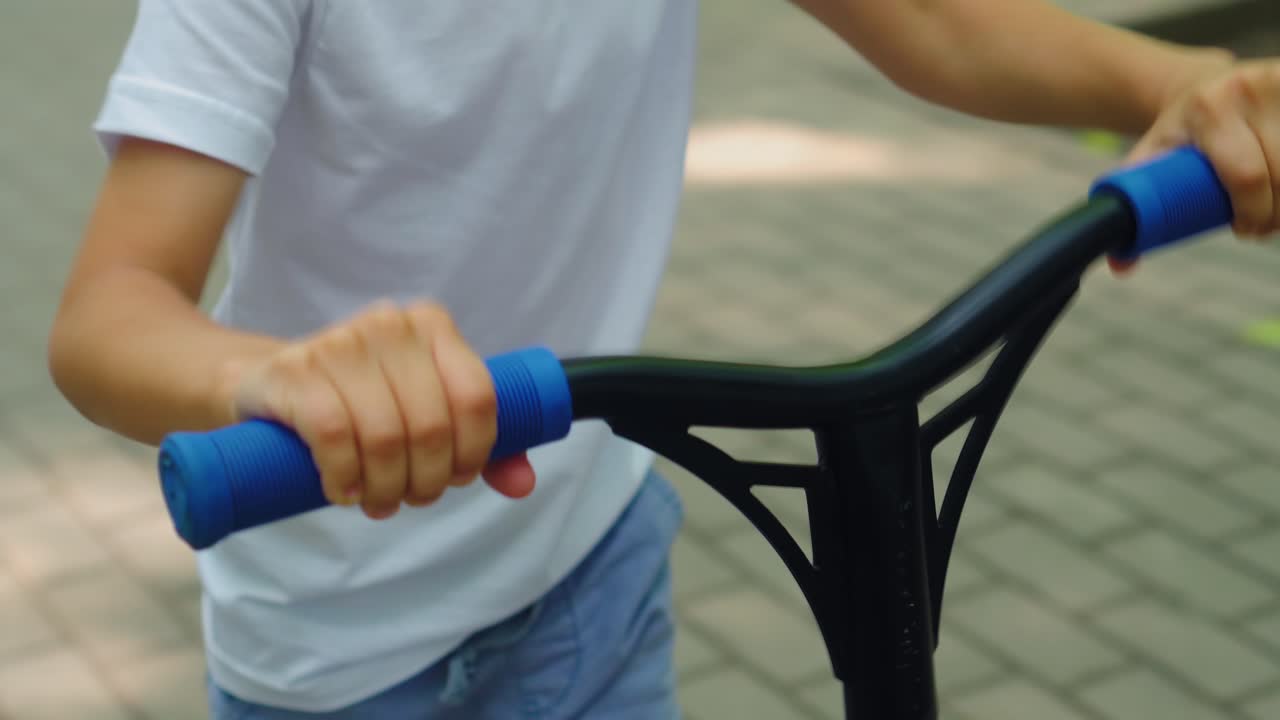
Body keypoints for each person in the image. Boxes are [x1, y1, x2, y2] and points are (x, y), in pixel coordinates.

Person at [47, 1, 1279, 717]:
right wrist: (270, 379)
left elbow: (933, 23)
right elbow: (108, 316)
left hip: (590, 575)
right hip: (340, 656)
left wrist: (1178, 82)